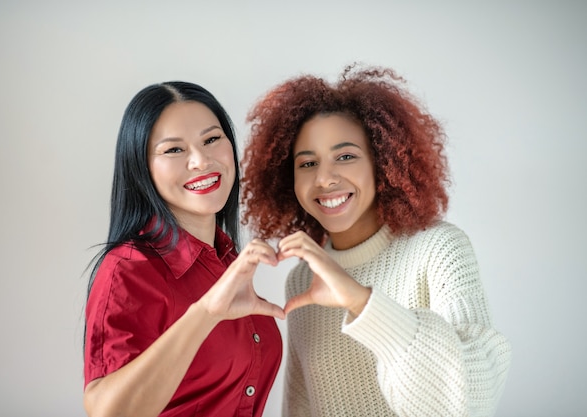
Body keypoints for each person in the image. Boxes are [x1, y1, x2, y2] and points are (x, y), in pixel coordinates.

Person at [241, 65, 512, 416]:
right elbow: (301, 407)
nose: (324, 179)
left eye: (346, 156)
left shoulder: (439, 250)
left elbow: (472, 399)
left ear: (382, 163)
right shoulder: (302, 282)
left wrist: (359, 300)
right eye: (307, 163)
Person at [83, 81, 284, 417]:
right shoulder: (129, 268)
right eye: (174, 150)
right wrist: (205, 314)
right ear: (142, 168)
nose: (200, 161)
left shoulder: (228, 260)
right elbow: (109, 411)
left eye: (211, 139)